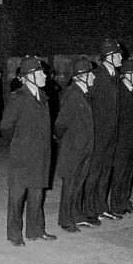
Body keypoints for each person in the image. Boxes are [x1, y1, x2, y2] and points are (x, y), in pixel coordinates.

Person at [0, 56, 56, 245]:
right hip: (22, 155)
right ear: (30, 76)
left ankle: (36, 230)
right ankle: (14, 234)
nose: (44, 76)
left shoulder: (43, 97)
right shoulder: (18, 98)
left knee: (36, 194)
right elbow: (6, 127)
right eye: (40, 72)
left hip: (40, 155)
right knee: (17, 196)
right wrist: (19, 144)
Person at [53, 58, 95, 232]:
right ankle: (65, 219)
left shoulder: (85, 93)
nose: (93, 76)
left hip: (84, 147)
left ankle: (76, 215)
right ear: (82, 76)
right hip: (73, 148)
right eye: (90, 73)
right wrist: (65, 141)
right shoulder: (72, 94)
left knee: (79, 183)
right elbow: (60, 123)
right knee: (70, 185)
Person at [85, 39, 123, 223]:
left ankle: (101, 207)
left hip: (112, 132)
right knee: (95, 172)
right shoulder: (98, 76)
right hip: (100, 132)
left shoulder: (115, 75)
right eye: (118, 55)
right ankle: (89, 209)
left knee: (106, 171)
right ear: (108, 57)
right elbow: (90, 104)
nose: (121, 57)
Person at [109, 58, 133, 215]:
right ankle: (116, 204)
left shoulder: (132, 91)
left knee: (128, 172)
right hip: (123, 140)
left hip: (132, 139)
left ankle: (125, 201)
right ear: (127, 75)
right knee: (120, 173)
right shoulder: (121, 92)